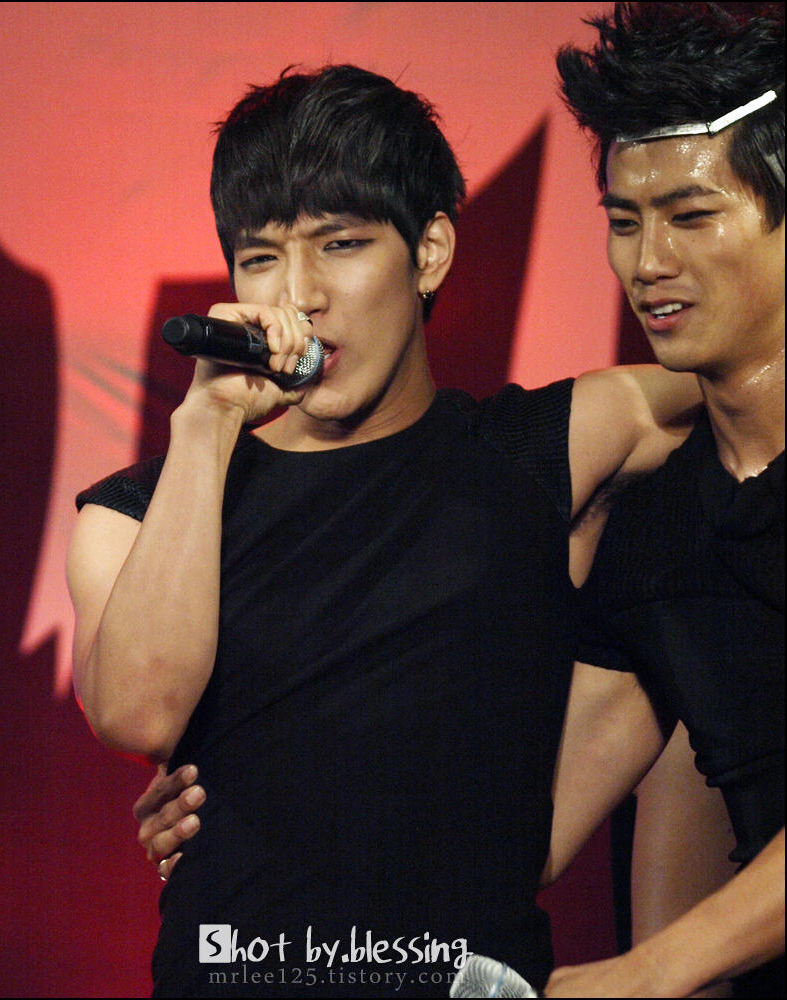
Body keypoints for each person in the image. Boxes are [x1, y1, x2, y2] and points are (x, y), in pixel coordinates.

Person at [67, 65, 699, 997]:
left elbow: (749, 382)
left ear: (430, 251)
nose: (301, 295)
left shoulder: (544, 447)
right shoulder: (133, 511)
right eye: (261, 258)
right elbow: (137, 713)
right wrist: (204, 428)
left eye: (343, 244)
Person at [542, 3, 784, 996]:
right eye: (624, 222)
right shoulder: (658, 524)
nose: (648, 265)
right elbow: (513, 827)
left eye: (690, 216)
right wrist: (237, 816)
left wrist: (649, 973)